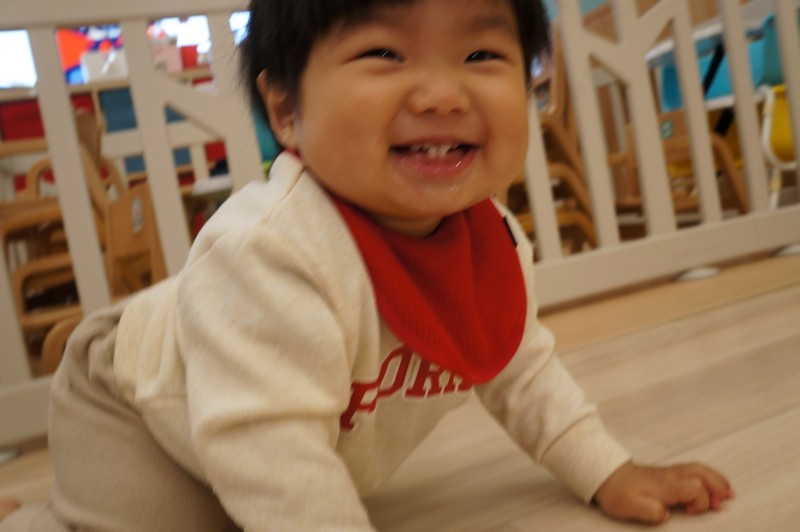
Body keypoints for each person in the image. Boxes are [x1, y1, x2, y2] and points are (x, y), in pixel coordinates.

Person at [0, 0, 735, 529]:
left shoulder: (497, 241)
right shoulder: (270, 249)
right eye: (384, 54)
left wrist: (608, 469)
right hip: (139, 417)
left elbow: (520, 368)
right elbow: (267, 446)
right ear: (286, 111)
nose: (443, 94)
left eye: (482, 55)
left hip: (242, 425)